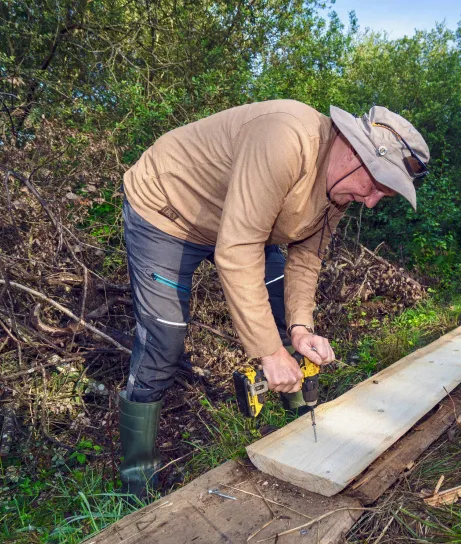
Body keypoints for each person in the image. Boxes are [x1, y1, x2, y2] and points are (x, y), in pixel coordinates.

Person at [119, 100, 430, 495]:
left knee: (283, 302)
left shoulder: (339, 188)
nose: (370, 201)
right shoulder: (285, 138)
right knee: (165, 337)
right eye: (376, 186)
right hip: (167, 211)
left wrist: (300, 330)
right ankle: (135, 477)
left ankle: (297, 421)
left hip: (238, 224)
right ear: (354, 151)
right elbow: (236, 250)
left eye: (382, 196)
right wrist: (269, 350)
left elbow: (307, 256)